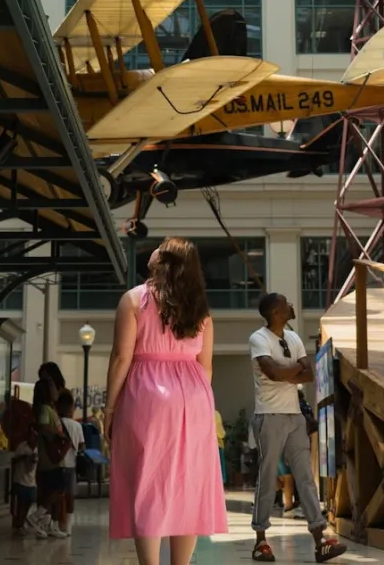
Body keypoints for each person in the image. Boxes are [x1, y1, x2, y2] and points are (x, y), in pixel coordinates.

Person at [106, 237, 227, 565]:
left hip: (146, 394)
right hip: (195, 395)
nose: (154, 249)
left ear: (164, 260)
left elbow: (121, 358)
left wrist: (110, 409)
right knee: (186, 485)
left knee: (147, 482)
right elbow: (207, 366)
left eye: (160, 247)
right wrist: (196, 404)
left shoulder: (133, 300)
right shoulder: (201, 310)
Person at [248, 292, 346, 562]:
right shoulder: (258, 338)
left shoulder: (293, 337)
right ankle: (260, 541)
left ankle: (320, 540)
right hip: (269, 416)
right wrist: (290, 371)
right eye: (285, 302)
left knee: (305, 478)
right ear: (274, 311)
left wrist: (284, 371)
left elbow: (309, 373)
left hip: (294, 417)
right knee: (267, 478)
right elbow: (274, 372)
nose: (291, 304)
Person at [28, 379, 70, 539]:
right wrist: (60, 435)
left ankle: (48, 523)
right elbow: (43, 426)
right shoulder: (45, 409)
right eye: (53, 387)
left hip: (53, 456)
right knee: (57, 488)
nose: (56, 390)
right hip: (50, 456)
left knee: (54, 490)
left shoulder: (51, 409)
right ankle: (36, 516)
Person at [57, 390, 85, 536]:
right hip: (71, 465)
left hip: (57, 464)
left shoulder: (57, 424)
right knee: (70, 496)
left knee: (57, 495)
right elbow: (81, 446)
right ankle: (68, 526)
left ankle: (56, 524)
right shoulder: (77, 426)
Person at [10, 432, 43, 537]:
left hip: (32, 481)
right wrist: (23, 458)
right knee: (21, 503)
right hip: (21, 480)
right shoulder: (22, 447)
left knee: (29, 503)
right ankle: (19, 526)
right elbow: (13, 460)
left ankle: (23, 522)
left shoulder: (38, 449)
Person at [214, 408, 227, 485]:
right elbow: (221, 433)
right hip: (216, 445)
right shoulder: (215, 414)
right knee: (219, 469)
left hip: (204, 447)